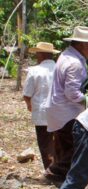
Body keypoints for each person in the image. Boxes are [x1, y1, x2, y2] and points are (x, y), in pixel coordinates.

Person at [44, 26, 88, 183]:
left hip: (58, 110)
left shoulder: (66, 56)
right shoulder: (75, 63)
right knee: (74, 146)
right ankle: (54, 173)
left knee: (63, 145)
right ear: (81, 45)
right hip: (67, 112)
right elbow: (72, 94)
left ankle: (62, 180)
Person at [22, 42, 60, 170]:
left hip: (42, 112)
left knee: (45, 143)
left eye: (37, 53)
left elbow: (27, 94)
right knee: (59, 142)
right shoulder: (60, 69)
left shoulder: (34, 71)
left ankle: (50, 171)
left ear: (41, 54)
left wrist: (28, 104)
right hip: (60, 112)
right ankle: (61, 169)